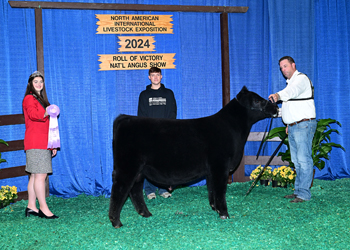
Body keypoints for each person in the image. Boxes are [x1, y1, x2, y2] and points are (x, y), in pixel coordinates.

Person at [269, 56, 316, 203]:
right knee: (296, 161)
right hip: (295, 126)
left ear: (293, 65)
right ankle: (298, 192)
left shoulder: (300, 79)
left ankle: (304, 194)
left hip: (303, 125)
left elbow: (292, 92)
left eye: (285, 66)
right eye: (281, 68)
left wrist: (278, 95)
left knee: (303, 160)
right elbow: (291, 107)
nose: (283, 70)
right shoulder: (290, 84)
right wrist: (287, 122)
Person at [22, 71, 59, 219]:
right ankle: (43, 208)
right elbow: (33, 115)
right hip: (36, 142)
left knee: (34, 176)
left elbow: (50, 126)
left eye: (41, 82)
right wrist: (46, 112)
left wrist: (53, 144)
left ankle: (31, 205)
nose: (39, 84)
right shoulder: (29, 98)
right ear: (30, 84)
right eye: (36, 81)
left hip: (41, 141)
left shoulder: (41, 99)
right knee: (40, 176)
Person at [138, 67, 177, 199]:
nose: (155, 77)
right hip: (150, 135)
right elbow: (141, 115)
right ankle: (149, 190)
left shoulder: (169, 93)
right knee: (149, 163)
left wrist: (167, 130)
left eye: (157, 75)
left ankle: (163, 188)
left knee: (165, 162)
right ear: (149, 77)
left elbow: (172, 113)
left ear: (161, 77)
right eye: (152, 75)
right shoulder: (144, 95)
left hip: (166, 134)